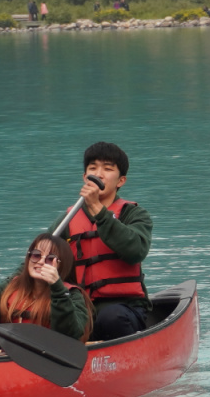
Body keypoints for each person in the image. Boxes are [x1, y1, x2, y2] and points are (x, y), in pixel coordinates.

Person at [54, 142, 152, 341]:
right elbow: (37, 255)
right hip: (80, 308)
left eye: (107, 169)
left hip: (124, 308)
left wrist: (99, 211)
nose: (98, 174)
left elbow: (136, 250)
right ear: (85, 177)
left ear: (121, 181)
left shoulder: (134, 214)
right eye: (93, 168)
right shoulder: (68, 219)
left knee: (111, 318)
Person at [0, 235, 92, 356]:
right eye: (36, 255)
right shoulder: (10, 287)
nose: (40, 261)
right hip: (9, 359)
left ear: (61, 265)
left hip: (50, 360)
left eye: (50, 259)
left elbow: (71, 334)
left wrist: (57, 289)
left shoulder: (72, 295)